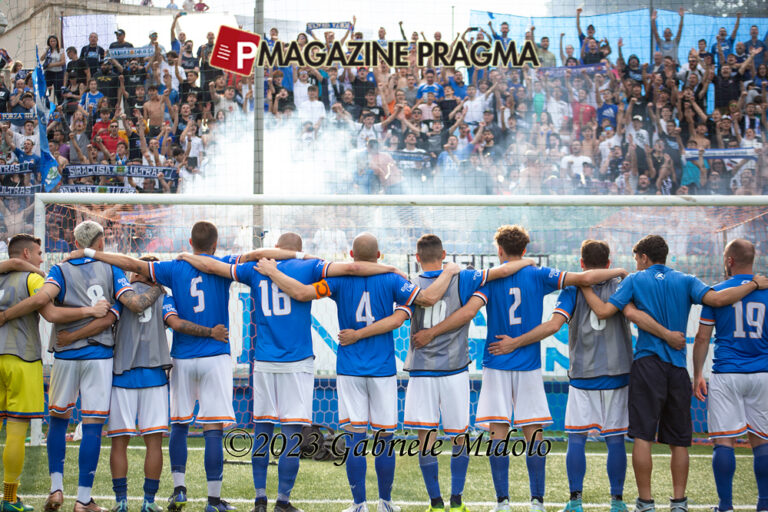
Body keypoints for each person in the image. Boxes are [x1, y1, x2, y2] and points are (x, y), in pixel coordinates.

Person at [67, 222, 299, 512]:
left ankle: (178, 489)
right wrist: (294, 255)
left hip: (180, 357)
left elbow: (128, 262)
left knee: (179, 423)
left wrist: (89, 252)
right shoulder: (223, 262)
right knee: (213, 428)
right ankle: (213, 501)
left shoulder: (172, 268)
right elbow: (255, 256)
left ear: (190, 241)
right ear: (215, 245)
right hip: (215, 354)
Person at [176, 232, 404, 512]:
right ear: (300, 249)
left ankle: (260, 499)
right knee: (293, 435)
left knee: (262, 431)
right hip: (300, 362)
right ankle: (284, 501)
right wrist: (390, 268)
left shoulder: (254, 267)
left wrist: (188, 256)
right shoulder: (309, 266)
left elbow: (213, 266)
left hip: (265, 360)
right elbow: (348, 272)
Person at [411, 225, 629, 512]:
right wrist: (620, 272)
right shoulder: (540, 274)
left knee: (498, 433)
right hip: (528, 363)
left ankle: (503, 502)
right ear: (525, 250)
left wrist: (433, 332)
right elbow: (586, 277)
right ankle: (537, 502)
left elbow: (469, 312)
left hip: (496, 360)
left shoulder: (489, 280)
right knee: (533, 433)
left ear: (499, 250)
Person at [254, 232, 460, 512]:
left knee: (354, 437)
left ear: (351, 256)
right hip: (382, 369)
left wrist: (272, 271)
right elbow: (413, 308)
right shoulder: (393, 280)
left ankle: (358, 504)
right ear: (379, 256)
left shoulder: (337, 280)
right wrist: (449, 271)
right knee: (384, 437)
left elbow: (303, 293)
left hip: (349, 368)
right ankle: (385, 502)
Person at [339, 234, 536, 512]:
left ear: (417, 257)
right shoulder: (463, 278)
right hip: (454, 369)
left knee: (426, 438)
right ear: (443, 254)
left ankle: (435, 502)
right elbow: (503, 270)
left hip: (421, 370)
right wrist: (526, 260)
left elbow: (400, 317)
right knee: (459, 436)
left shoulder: (410, 284)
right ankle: (456, 501)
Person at [578, 234, 768, 512]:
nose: (636, 264)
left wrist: (584, 284)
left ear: (644, 258)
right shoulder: (687, 279)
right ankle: (679, 502)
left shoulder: (635, 280)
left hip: (647, 365)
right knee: (680, 441)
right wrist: (752, 284)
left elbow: (604, 310)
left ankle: (646, 502)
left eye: (637, 260)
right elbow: (716, 299)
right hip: (678, 369)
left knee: (643, 437)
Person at [5, 222, 165, 512]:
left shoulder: (60, 269)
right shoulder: (112, 270)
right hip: (99, 357)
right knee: (92, 425)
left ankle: (55, 490)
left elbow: (44, 301)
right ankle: (83, 500)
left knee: (58, 419)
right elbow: (128, 304)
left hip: (65, 355)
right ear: (100, 243)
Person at [57, 255, 227, 512]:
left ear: (136, 272)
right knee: (154, 442)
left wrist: (72, 337)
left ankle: (121, 502)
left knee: (119, 442)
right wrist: (210, 332)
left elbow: (104, 321)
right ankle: (149, 502)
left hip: (121, 376)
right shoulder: (164, 296)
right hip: (154, 377)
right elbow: (176, 323)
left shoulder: (121, 297)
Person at [0, 235, 111, 512]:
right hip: (21, 358)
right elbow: (50, 313)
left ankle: (50, 490)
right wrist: (90, 310)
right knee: (15, 430)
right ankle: (10, 498)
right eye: (38, 253)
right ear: (26, 253)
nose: (41, 258)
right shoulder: (34, 279)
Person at [692, 239, 768, 512]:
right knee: (762, 441)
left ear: (729, 261)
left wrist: (697, 374)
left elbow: (702, 337)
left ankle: (725, 506)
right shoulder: (767, 291)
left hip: (727, 373)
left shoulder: (717, 293)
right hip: (762, 374)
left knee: (724, 441)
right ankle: (764, 504)